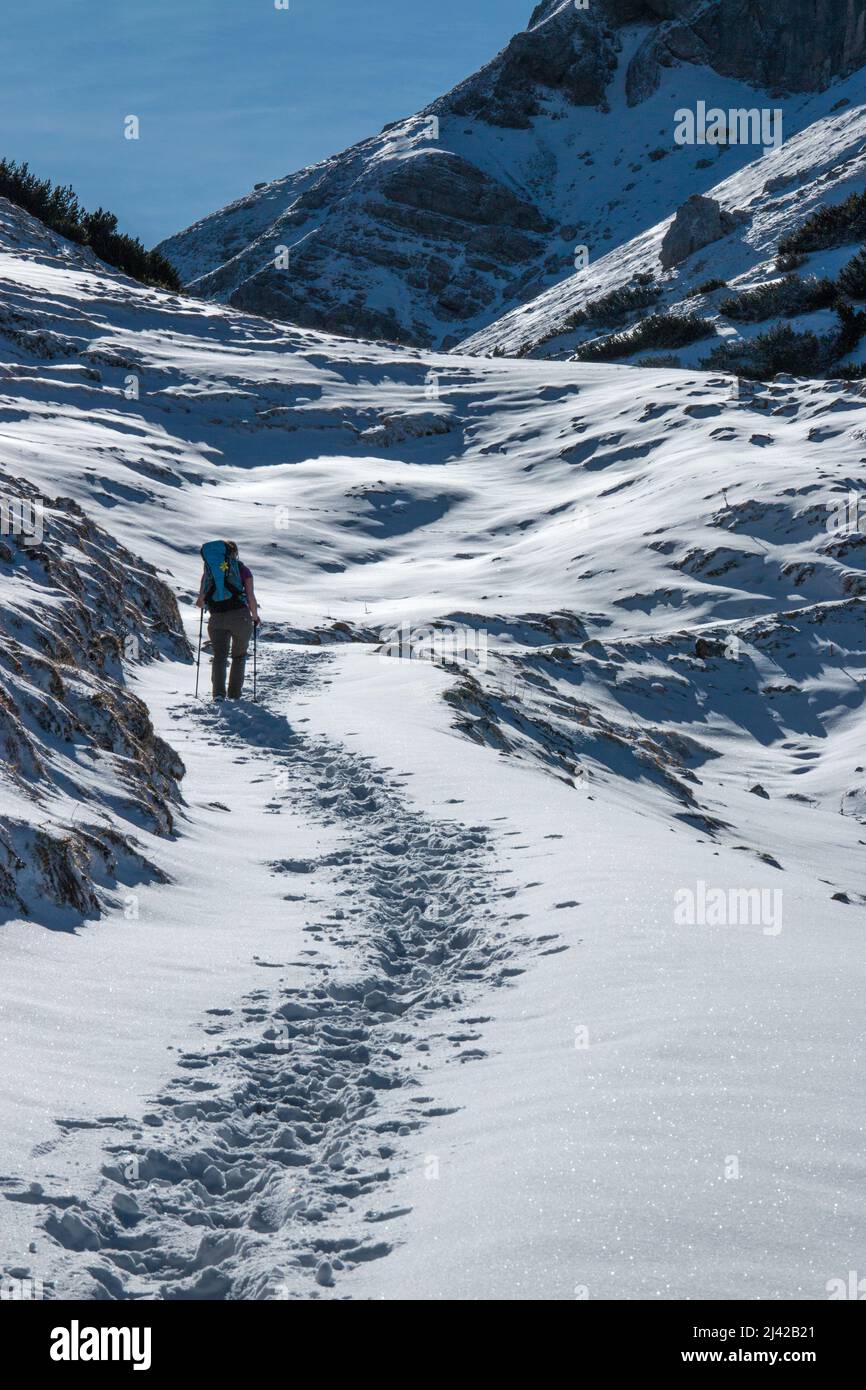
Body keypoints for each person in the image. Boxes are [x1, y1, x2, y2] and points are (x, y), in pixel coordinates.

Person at [196, 540, 260, 700]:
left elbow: (200, 602)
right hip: (240, 617)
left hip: (216, 618)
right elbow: (251, 596)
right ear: (234, 553)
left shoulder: (209, 572)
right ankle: (234, 695)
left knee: (219, 656)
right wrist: (255, 616)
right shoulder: (242, 569)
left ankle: (218, 694)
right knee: (239, 656)